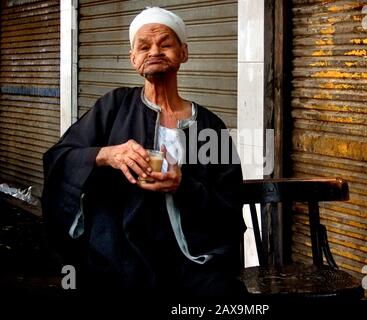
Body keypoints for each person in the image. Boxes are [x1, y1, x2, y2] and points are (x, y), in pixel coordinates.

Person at [42, 7, 246, 298]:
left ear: (184, 53)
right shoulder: (113, 107)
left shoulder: (209, 125)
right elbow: (60, 158)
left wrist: (182, 186)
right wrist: (107, 155)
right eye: (144, 46)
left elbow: (229, 202)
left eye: (166, 44)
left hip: (194, 259)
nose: (155, 51)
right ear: (133, 58)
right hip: (120, 254)